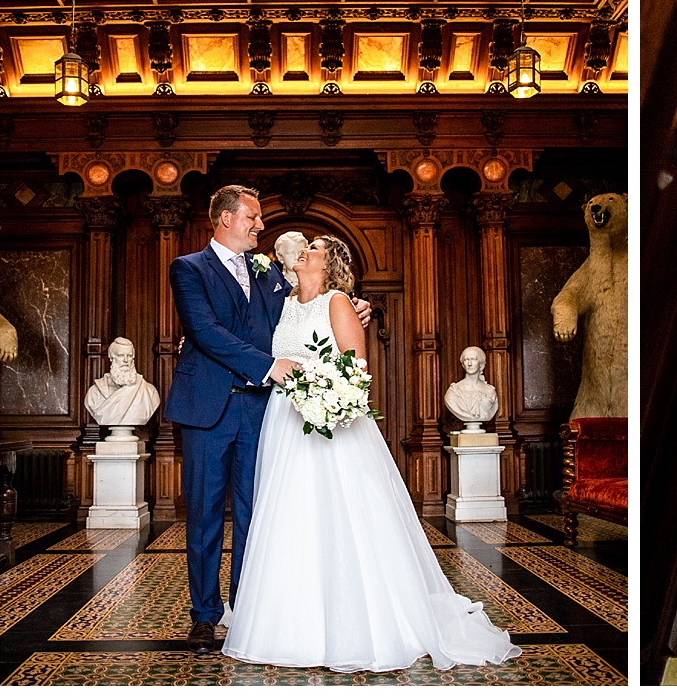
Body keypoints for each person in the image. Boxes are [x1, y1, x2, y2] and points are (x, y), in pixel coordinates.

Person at [222, 235, 519, 671]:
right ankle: (289, 624)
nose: (304, 250)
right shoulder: (281, 305)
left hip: (328, 424)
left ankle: (359, 624)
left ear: (331, 263)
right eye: (303, 247)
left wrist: (324, 400)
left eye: (316, 248)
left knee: (340, 518)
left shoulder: (338, 302)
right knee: (288, 518)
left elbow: (355, 372)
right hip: (283, 424)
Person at [167, 186, 369, 654]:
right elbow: (203, 331)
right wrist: (267, 366)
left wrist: (358, 306)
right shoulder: (188, 269)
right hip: (206, 409)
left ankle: (248, 611)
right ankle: (204, 617)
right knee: (203, 517)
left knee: (258, 516)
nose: (261, 226)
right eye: (254, 218)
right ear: (226, 220)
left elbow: (313, 303)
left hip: (262, 413)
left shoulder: (269, 278)